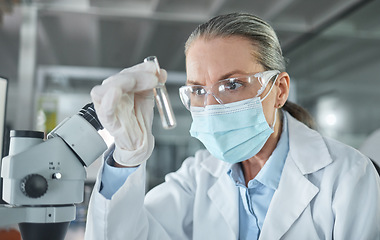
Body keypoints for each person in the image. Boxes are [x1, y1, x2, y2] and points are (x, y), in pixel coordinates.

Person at [85, 13, 380, 239]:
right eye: (198, 90)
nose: (211, 108)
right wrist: (126, 158)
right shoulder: (198, 175)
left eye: (232, 84)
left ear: (279, 90)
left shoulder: (348, 175)